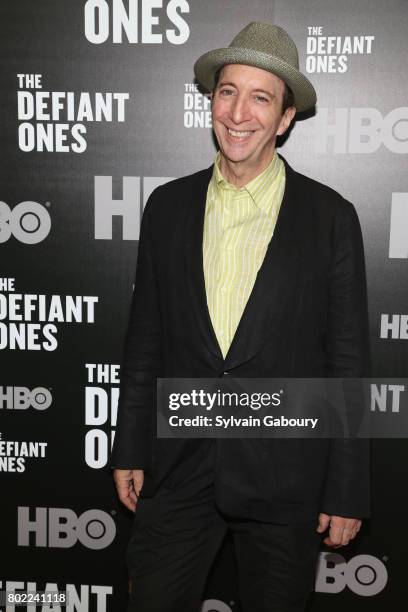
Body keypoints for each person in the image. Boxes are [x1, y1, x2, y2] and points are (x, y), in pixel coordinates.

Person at [110, 21, 370, 612]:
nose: (239, 112)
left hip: (285, 475)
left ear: (284, 119)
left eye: (261, 97)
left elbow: (349, 362)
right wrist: (129, 445)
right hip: (179, 469)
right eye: (228, 91)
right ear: (211, 101)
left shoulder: (331, 217)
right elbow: (145, 338)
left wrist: (347, 488)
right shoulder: (168, 206)